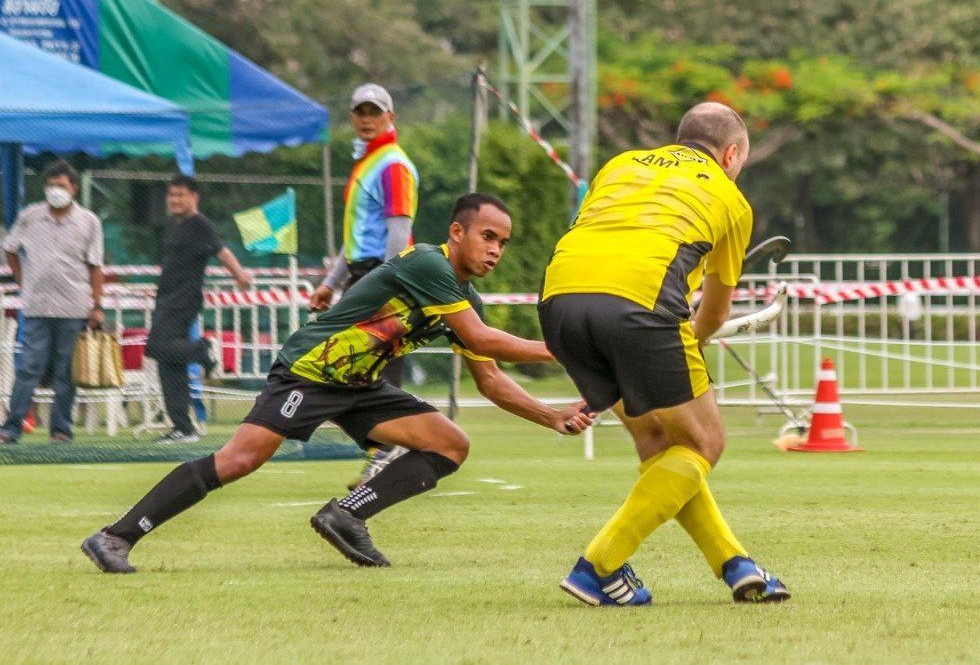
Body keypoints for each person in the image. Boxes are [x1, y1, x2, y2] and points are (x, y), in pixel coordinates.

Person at [80, 193, 595, 574]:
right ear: (457, 233)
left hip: (360, 387)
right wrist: (568, 347)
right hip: (311, 369)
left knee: (449, 444)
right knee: (240, 460)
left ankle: (344, 518)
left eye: (503, 242)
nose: (496, 250)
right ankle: (115, 537)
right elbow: (486, 341)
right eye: (489, 237)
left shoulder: (462, 300)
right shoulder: (428, 263)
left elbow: (489, 379)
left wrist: (550, 415)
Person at [538, 102, 789, 606]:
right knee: (704, 444)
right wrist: (689, 338)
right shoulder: (731, 200)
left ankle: (735, 564)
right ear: (732, 153)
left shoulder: (620, 164)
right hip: (639, 311)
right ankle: (599, 564)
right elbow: (714, 315)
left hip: (559, 302)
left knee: (660, 445)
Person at [308, 83, 420, 484]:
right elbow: (355, 238)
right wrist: (330, 283)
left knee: (366, 365)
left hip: (383, 274)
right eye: (360, 112)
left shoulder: (392, 164)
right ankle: (390, 445)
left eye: (375, 112)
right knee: (355, 366)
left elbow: (398, 229)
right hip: (364, 273)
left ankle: (393, 446)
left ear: (391, 117)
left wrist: (384, 284)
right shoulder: (367, 164)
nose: (367, 119)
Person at [1, 161, 104, 444]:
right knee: (29, 368)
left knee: (65, 372)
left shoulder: (89, 221)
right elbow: (10, 250)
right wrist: (23, 281)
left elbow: (96, 267)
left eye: (61, 186)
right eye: (51, 186)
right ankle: (11, 427)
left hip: (74, 307)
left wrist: (97, 306)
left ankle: (61, 430)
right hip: (37, 307)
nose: (55, 191)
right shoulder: (29, 217)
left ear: (74, 187)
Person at [145, 175, 253, 444]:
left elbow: (221, 251)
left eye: (180, 195)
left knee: (156, 347)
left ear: (195, 197)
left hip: (182, 301)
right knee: (169, 362)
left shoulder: (199, 224)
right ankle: (183, 427)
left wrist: (239, 274)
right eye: (171, 195)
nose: (174, 200)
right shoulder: (179, 227)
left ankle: (203, 349)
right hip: (167, 299)